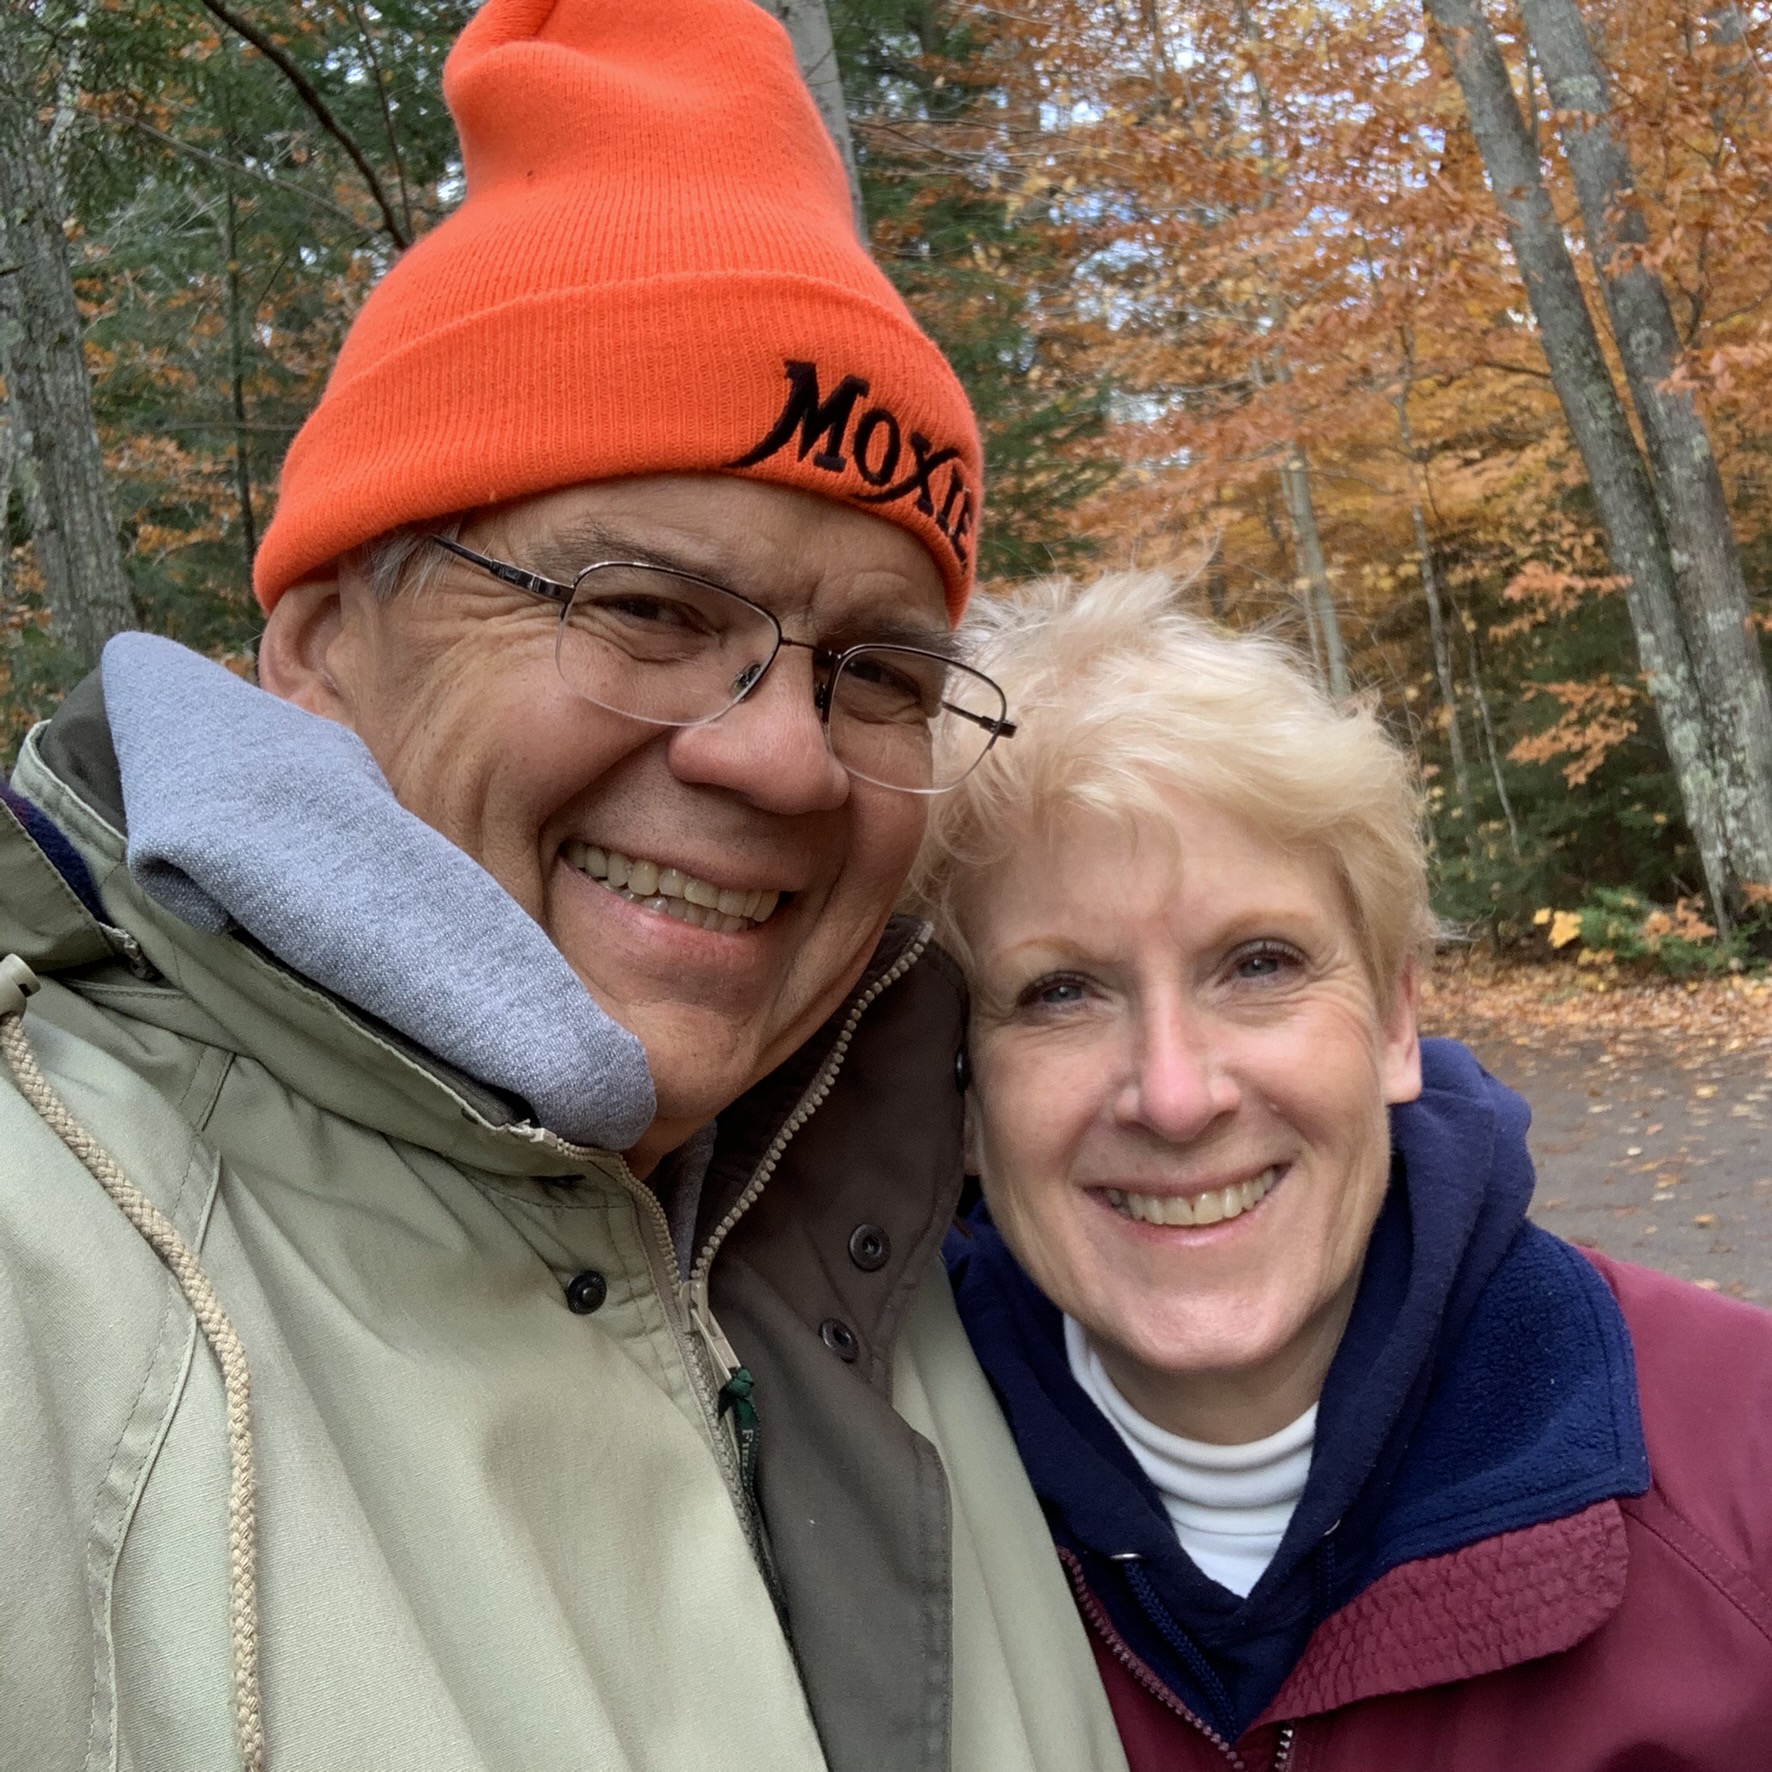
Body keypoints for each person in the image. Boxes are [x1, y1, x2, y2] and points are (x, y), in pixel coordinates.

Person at [0, 6, 1130, 1770]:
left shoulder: (922, 1228)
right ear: (321, 647)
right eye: (647, 609)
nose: (788, 759)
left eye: (880, 674)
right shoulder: (45, 1258)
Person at [910, 570, 1772, 1770]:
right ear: (957, 1092)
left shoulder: (1741, 1461)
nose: (1175, 1094)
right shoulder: (865, 1516)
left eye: (1258, 963)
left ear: (1393, 1020)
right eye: (1058, 991)